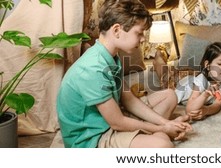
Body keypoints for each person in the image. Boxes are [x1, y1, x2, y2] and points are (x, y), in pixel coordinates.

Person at [56, 0, 192, 148]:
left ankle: (152, 135)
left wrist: (166, 123)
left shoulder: (111, 57)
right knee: (163, 145)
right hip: (93, 138)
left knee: (170, 95)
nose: (143, 39)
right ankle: (156, 136)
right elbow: (117, 122)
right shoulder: (93, 68)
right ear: (116, 30)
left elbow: (129, 101)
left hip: (109, 121)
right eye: (139, 33)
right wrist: (162, 129)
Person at [154, 42, 221, 121]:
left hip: (193, 76)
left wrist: (206, 110)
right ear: (207, 65)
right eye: (220, 64)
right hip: (178, 83)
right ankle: (158, 56)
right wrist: (205, 94)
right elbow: (190, 109)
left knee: (190, 73)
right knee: (164, 73)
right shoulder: (201, 80)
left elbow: (217, 105)